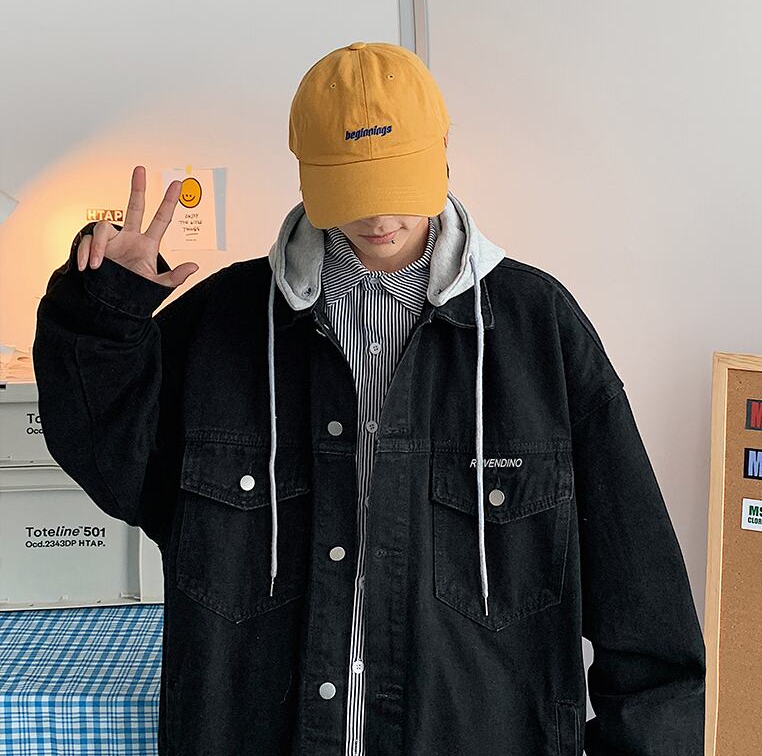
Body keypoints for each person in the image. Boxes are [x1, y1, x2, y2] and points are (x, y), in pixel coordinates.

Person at [33, 41, 705, 756]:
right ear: (306, 174)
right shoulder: (224, 326)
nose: (379, 215)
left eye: (397, 182)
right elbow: (113, 463)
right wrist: (107, 312)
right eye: (353, 189)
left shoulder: (539, 332)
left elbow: (647, 619)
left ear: (443, 154)